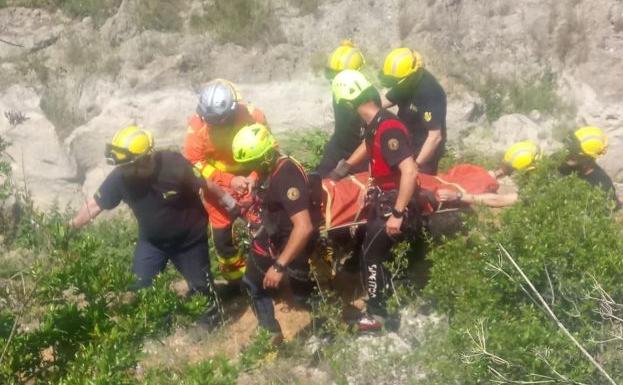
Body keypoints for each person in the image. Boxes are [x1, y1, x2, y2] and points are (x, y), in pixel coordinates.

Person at [69, 126, 239, 328]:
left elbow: (206, 185)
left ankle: (210, 326)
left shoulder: (173, 164)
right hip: (152, 243)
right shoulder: (121, 177)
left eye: (127, 165)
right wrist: (70, 227)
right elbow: (96, 205)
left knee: (201, 287)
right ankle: (160, 327)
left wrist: (232, 205)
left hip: (189, 241)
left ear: (144, 160)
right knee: (140, 286)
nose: (123, 170)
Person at [330, 70, 418, 331]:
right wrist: (342, 169)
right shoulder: (377, 123)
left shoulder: (388, 128)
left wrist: (398, 214)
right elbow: (368, 146)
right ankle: (386, 297)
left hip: (394, 202)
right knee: (368, 248)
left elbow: (410, 170)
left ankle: (377, 315)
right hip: (385, 198)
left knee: (370, 256)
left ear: (348, 103)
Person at [231, 123, 319, 342]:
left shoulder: (287, 176)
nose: (249, 169)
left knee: (304, 297)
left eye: (252, 163)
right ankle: (270, 333)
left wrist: (279, 266)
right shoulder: (271, 168)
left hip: (293, 244)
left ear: (265, 158)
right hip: (272, 236)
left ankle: (329, 324)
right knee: (252, 284)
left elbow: (304, 226)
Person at [184, 79, 266, 283]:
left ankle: (266, 273)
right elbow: (195, 163)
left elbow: (268, 150)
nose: (209, 123)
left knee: (264, 229)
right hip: (216, 189)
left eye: (215, 119)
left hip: (250, 184)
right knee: (222, 240)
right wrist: (229, 181)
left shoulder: (252, 116)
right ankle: (236, 280)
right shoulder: (197, 126)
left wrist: (253, 177)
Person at [379, 48, 447, 175]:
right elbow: (383, 103)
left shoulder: (430, 92)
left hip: (423, 150)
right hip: (406, 142)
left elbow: (435, 137)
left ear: (411, 75)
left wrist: (416, 166)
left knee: (417, 189)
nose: (395, 84)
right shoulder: (404, 81)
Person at [316, 40, 368, 177]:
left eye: (338, 75)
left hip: (360, 156)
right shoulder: (339, 89)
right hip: (338, 147)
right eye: (333, 75)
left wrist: (345, 167)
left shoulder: (366, 100)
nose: (334, 80)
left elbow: (369, 141)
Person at [437, 140, 540, 208]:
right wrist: (496, 174)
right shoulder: (540, 168)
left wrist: (458, 196)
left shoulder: (539, 189)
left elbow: (499, 200)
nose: (512, 175)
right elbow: (506, 168)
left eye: (513, 171)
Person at [559, 126, 620, 207]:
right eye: (570, 149)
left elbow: (608, 214)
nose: (568, 155)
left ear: (588, 158)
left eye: (575, 153)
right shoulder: (561, 163)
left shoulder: (602, 185)